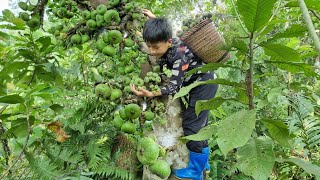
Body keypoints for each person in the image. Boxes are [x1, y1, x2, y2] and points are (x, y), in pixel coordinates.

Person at [130, 9, 218, 180]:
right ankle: (203, 161)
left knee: (193, 127)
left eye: (155, 47)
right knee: (199, 123)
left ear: (168, 42)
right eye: (149, 46)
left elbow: (173, 87)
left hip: (204, 86)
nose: (152, 51)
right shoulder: (171, 41)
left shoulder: (180, 55)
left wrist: (151, 93)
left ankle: (196, 172)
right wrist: (154, 19)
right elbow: (167, 32)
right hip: (198, 85)